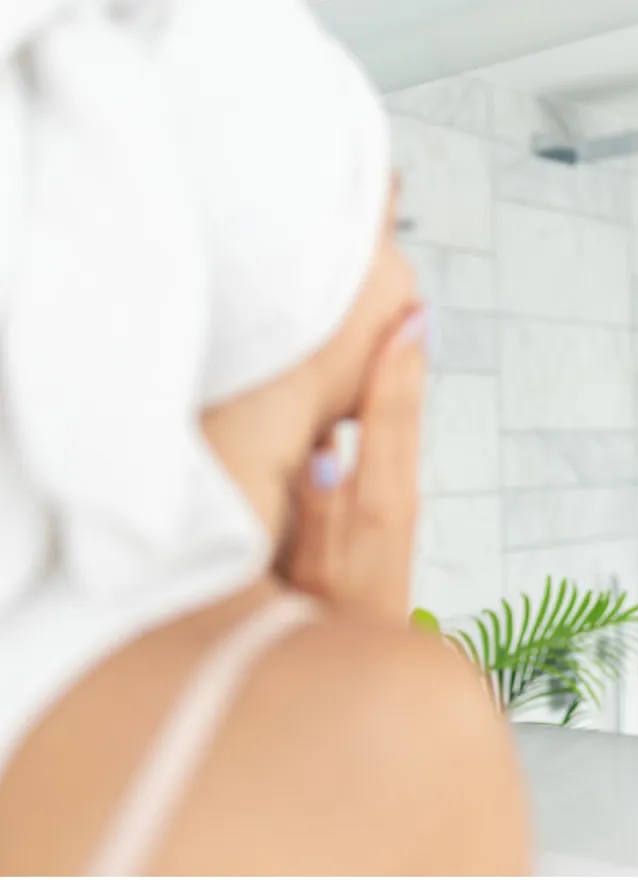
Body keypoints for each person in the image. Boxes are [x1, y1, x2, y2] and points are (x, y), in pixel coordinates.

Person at [0, 1, 529, 874]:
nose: (409, 278)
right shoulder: (387, 724)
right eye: (391, 231)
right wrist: (357, 672)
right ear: (296, 284)